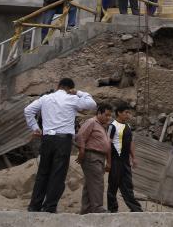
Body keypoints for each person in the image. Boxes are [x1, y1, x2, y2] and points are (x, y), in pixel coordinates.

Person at [23, 78, 96, 213]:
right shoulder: (72, 99)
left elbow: (28, 110)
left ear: (58, 86)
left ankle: (34, 206)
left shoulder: (45, 98)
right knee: (58, 174)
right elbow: (92, 104)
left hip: (47, 139)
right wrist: (78, 92)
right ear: (70, 89)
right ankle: (49, 207)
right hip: (63, 141)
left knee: (43, 172)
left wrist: (35, 127)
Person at [76, 102, 113, 214]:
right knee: (97, 182)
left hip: (99, 157)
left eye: (109, 115)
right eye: (106, 115)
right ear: (99, 113)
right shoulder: (91, 122)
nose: (108, 117)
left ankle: (86, 209)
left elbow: (107, 145)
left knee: (90, 183)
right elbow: (80, 136)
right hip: (91, 155)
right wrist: (82, 151)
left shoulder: (102, 127)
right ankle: (97, 207)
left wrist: (108, 161)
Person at [107, 104, 143, 213]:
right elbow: (108, 144)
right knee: (113, 185)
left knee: (128, 185)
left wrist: (134, 157)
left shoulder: (127, 126)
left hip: (125, 161)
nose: (128, 115)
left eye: (129, 112)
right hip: (115, 160)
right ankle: (112, 210)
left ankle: (136, 209)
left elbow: (131, 142)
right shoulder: (112, 126)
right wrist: (108, 162)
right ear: (119, 113)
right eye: (126, 112)